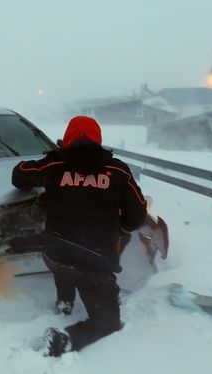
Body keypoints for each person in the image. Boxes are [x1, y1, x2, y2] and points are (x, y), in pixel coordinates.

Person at [11, 116, 147, 357]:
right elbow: (137, 215)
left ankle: (65, 302)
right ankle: (64, 340)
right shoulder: (117, 170)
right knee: (107, 323)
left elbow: (19, 175)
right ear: (99, 139)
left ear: (67, 138)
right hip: (97, 262)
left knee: (64, 260)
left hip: (56, 254)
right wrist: (119, 227)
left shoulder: (52, 165)